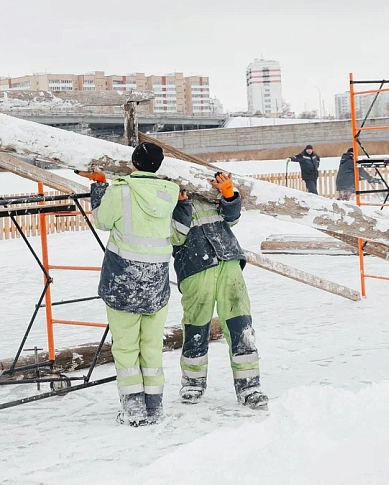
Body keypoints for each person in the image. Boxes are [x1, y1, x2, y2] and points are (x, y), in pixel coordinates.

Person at [78, 142, 182, 426]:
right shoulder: (169, 192)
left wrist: (99, 186)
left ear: (133, 163)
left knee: (125, 347)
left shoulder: (120, 190)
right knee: (151, 345)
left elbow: (103, 220)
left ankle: (134, 408)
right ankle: (155, 406)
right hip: (157, 280)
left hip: (124, 278)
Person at [171, 172, 268, 409]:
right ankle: (192, 383)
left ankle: (249, 386)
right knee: (196, 325)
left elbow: (231, 219)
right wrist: (182, 205)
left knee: (240, 323)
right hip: (195, 267)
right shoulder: (167, 200)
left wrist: (229, 195)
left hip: (228, 262)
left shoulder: (208, 192)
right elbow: (174, 235)